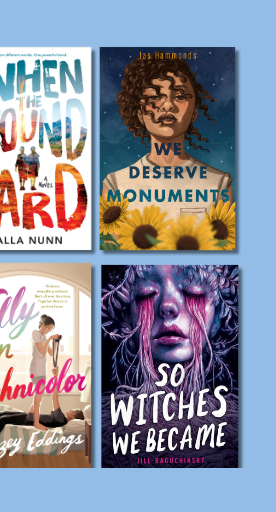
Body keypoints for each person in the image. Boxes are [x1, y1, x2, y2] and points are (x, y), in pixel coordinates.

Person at [101, 264, 239, 467]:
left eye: (192, 290)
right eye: (146, 292)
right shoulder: (101, 428)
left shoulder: (239, 428)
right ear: (127, 316)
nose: (167, 306)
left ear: (217, 317)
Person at [101, 57, 233, 224]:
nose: (167, 105)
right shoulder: (116, 184)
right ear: (140, 114)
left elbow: (222, 245)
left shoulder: (219, 183)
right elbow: (113, 246)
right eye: (154, 97)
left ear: (194, 114)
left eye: (180, 96)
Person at [0, 366, 84, 441]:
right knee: (4, 412)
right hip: (30, 416)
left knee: (3, 419)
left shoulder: (62, 419)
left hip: (29, 420)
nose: (71, 409)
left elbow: (55, 398)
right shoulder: (60, 420)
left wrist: (56, 377)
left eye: (73, 410)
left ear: (73, 416)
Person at [29, 314, 61, 430]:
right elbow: (42, 351)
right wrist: (50, 338)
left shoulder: (44, 337)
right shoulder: (35, 333)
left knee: (39, 397)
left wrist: (55, 341)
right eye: (48, 328)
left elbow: (51, 354)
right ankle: (36, 423)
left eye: (51, 329)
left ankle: (29, 417)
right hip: (36, 370)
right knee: (38, 399)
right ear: (43, 324)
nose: (49, 331)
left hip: (42, 371)